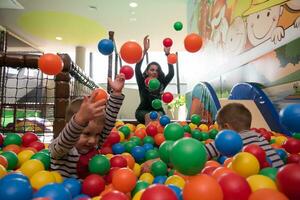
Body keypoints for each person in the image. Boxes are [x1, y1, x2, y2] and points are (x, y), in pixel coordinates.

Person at [49, 74, 125, 179]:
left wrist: (116, 94)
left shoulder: (93, 145)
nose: (92, 141)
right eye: (87, 133)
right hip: (61, 190)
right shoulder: (61, 148)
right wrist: (80, 120)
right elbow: (66, 140)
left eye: (97, 134)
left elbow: (108, 124)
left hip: (89, 192)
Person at [205, 102, 284, 168]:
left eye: (219, 130)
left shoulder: (226, 141)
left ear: (226, 127)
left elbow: (201, 153)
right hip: (279, 176)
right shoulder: (258, 136)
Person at [135, 35, 174, 125]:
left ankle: (158, 138)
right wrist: (144, 51)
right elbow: (137, 69)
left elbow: (171, 73)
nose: (154, 72)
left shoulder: (161, 83)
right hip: (142, 112)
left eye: (157, 70)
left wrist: (168, 54)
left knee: (158, 116)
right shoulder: (142, 82)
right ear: (147, 72)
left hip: (159, 112)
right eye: (152, 70)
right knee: (150, 115)